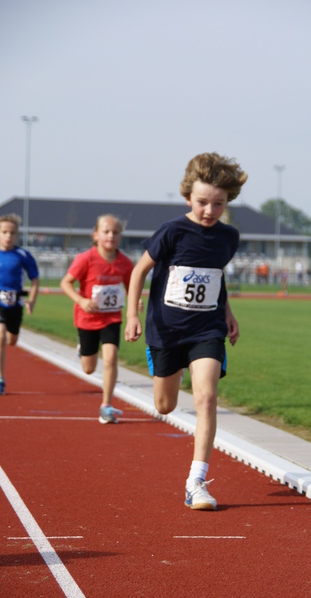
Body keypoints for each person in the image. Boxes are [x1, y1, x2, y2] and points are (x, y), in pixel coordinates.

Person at [125, 152, 248, 511]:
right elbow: (138, 272)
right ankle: (168, 370)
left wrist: (228, 313)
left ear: (228, 202)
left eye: (219, 204)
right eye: (202, 203)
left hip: (206, 329)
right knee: (165, 405)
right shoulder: (171, 231)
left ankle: (196, 482)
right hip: (166, 330)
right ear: (187, 198)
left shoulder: (229, 237)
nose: (210, 211)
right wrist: (132, 315)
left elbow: (216, 277)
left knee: (206, 397)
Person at [61, 214, 138, 424]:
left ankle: (106, 405)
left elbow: (133, 286)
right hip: (87, 318)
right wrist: (81, 300)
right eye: (106, 231)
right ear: (96, 235)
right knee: (89, 368)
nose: (111, 235)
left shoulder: (124, 262)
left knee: (111, 357)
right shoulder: (86, 258)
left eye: (115, 232)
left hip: (112, 317)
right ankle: (82, 350)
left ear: (120, 235)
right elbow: (65, 283)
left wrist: (135, 301)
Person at [0, 214, 39, 395]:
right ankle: (1, 378)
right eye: (4, 232)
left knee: (11, 340)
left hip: (15, 302)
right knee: (0, 336)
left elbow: (35, 279)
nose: (8, 236)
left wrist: (31, 299)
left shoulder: (22, 255)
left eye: (12, 233)